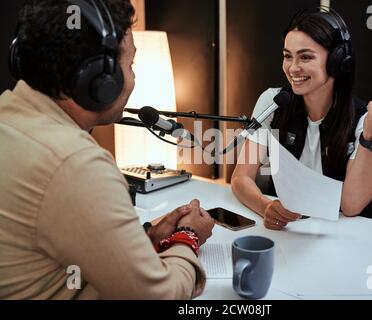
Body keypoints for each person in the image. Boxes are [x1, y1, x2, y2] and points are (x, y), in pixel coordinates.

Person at [0, 0, 214, 299]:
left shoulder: (9, 117)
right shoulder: (74, 162)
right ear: (101, 79)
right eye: (130, 65)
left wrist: (146, 238)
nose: (134, 78)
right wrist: (187, 237)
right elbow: (159, 296)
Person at [231, 9, 372, 230]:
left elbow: (351, 206)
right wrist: (265, 207)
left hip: (340, 233)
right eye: (288, 56)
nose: (293, 68)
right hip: (287, 231)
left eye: (305, 57)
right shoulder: (273, 103)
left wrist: (370, 137)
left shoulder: (366, 118)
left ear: (337, 61)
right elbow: (241, 178)